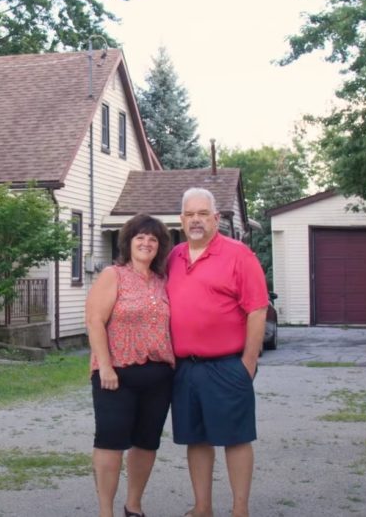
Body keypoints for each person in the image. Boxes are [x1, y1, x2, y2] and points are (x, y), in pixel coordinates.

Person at [166, 188, 269, 517]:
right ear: (181, 220)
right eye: (189, 214)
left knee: (235, 438)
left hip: (227, 365)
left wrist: (248, 364)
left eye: (202, 213)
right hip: (185, 368)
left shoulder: (239, 255)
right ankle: (202, 507)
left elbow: (257, 309)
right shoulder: (174, 257)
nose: (196, 220)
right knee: (196, 439)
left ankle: (240, 509)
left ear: (216, 218)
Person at [85, 214, 176, 517]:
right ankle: (105, 512)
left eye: (153, 239)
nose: (146, 243)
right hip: (116, 375)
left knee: (147, 443)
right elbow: (95, 321)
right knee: (110, 443)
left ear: (159, 246)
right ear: (128, 242)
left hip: (158, 376)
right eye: (140, 237)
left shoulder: (164, 281)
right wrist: (106, 367)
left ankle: (133, 506)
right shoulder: (114, 275)